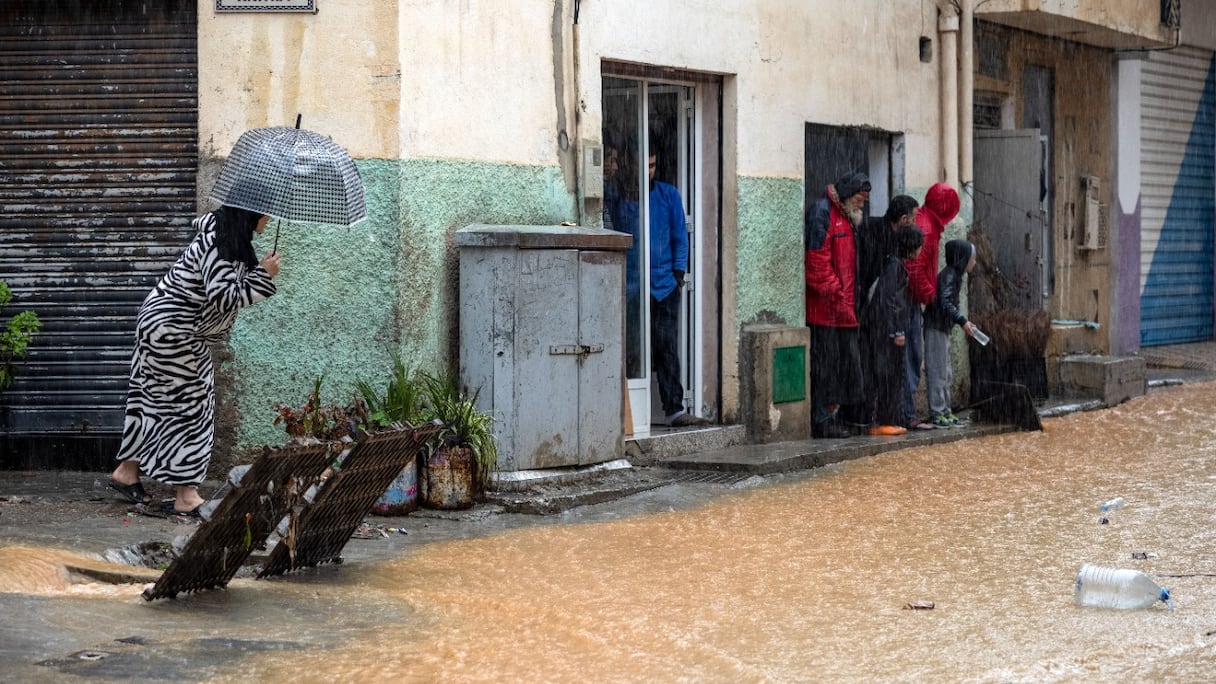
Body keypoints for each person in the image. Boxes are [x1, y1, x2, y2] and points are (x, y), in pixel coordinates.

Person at [108, 204, 281, 516]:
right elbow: (223, 296)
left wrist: (258, 274)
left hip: (163, 325)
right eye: (266, 213)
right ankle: (186, 496)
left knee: (150, 398)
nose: (269, 219)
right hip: (174, 331)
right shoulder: (219, 243)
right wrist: (263, 276)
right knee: (191, 406)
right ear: (250, 214)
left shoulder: (227, 238)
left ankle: (127, 472)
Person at [805, 171, 870, 439]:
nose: (863, 204)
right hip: (826, 310)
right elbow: (816, 261)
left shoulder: (847, 217)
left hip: (843, 308)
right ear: (846, 195)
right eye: (860, 198)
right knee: (827, 367)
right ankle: (822, 419)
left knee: (844, 367)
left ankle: (834, 415)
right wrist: (836, 293)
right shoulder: (823, 212)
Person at [647, 150, 706, 427]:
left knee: (666, 347)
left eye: (653, 165)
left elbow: (680, 236)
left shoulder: (668, 195)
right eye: (644, 166)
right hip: (634, 285)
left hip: (665, 284)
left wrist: (678, 275)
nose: (649, 171)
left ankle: (673, 409)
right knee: (633, 352)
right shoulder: (624, 197)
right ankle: (627, 412)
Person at [904, 182, 960, 430]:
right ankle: (911, 414)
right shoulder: (927, 229)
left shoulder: (927, 223)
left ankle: (909, 413)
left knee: (915, 358)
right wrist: (929, 294)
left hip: (916, 299)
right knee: (913, 359)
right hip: (913, 301)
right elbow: (914, 267)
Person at [860, 224, 924, 436]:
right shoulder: (895, 267)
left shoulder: (892, 263)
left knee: (885, 376)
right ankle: (884, 422)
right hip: (885, 333)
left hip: (880, 330)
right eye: (919, 247)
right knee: (889, 377)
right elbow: (889, 301)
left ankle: (880, 421)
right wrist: (896, 331)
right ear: (911, 246)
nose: (920, 251)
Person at [924, 239, 978, 428]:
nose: (974, 263)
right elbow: (945, 303)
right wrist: (962, 321)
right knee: (938, 371)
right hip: (936, 327)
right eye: (973, 258)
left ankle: (945, 410)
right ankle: (937, 412)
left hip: (942, 327)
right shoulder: (949, 276)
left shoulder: (955, 275)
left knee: (945, 371)